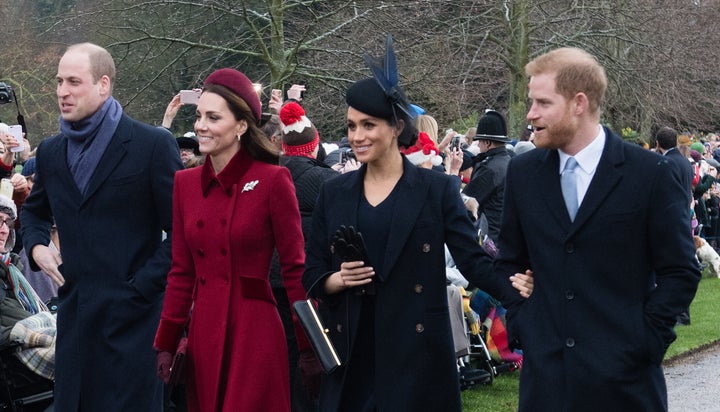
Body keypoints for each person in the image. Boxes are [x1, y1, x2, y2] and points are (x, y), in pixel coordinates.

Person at [302, 39, 521, 410]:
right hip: (353, 351)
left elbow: (473, 262)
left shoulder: (435, 190)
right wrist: (336, 279)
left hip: (416, 352)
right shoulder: (334, 191)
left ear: (396, 127)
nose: (356, 136)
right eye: (351, 126)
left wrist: (521, 289)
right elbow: (311, 270)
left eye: (368, 125)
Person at [496, 47, 701, 411]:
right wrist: (524, 323)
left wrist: (645, 340)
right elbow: (509, 261)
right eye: (531, 102)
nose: (530, 114)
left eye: (543, 103)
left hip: (627, 388)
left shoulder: (649, 174)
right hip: (546, 386)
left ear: (578, 103)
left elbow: (680, 270)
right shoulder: (523, 173)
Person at [20, 42, 183, 411]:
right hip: (76, 321)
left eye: (74, 81)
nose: (62, 91)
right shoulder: (50, 151)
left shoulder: (152, 144)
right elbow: (33, 213)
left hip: (134, 324)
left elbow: (183, 233)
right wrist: (36, 246)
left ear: (103, 84)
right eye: (59, 81)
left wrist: (139, 288)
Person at [153, 68, 312, 411]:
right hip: (204, 334)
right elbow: (181, 271)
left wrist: (308, 346)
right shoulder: (185, 184)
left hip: (255, 333)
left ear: (241, 125)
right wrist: (166, 342)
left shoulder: (273, 180)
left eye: (213, 117)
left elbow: (294, 270)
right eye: (198, 116)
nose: (200, 126)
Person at [462, 110, 512, 243]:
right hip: (504, 235)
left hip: (489, 238)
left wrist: (453, 173)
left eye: (480, 141)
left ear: (488, 143)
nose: (477, 145)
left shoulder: (490, 169)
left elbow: (466, 201)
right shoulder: (509, 161)